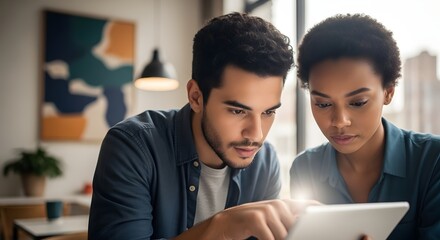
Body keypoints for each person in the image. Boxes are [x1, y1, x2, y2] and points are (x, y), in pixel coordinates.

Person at [89, 12, 316, 240]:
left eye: (268, 112)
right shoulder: (132, 147)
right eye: (238, 111)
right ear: (196, 97)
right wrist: (222, 227)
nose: (256, 135)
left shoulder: (264, 162)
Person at [290, 13, 440, 240]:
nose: (340, 121)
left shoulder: (432, 160)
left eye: (358, 102)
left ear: (388, 92)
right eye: (322, 103)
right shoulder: (305, 168)